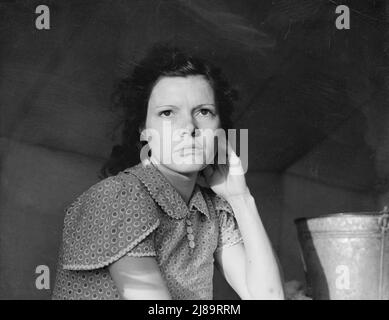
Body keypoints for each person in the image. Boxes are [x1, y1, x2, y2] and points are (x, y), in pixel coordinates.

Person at [52, 43, 285, 300]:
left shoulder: (211, 207)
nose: (189, 127)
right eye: (167, 113)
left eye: (204, 111)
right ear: (143, 128)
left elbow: (269, 297)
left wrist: (241, 198)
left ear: (220, 128)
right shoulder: (116, 199)